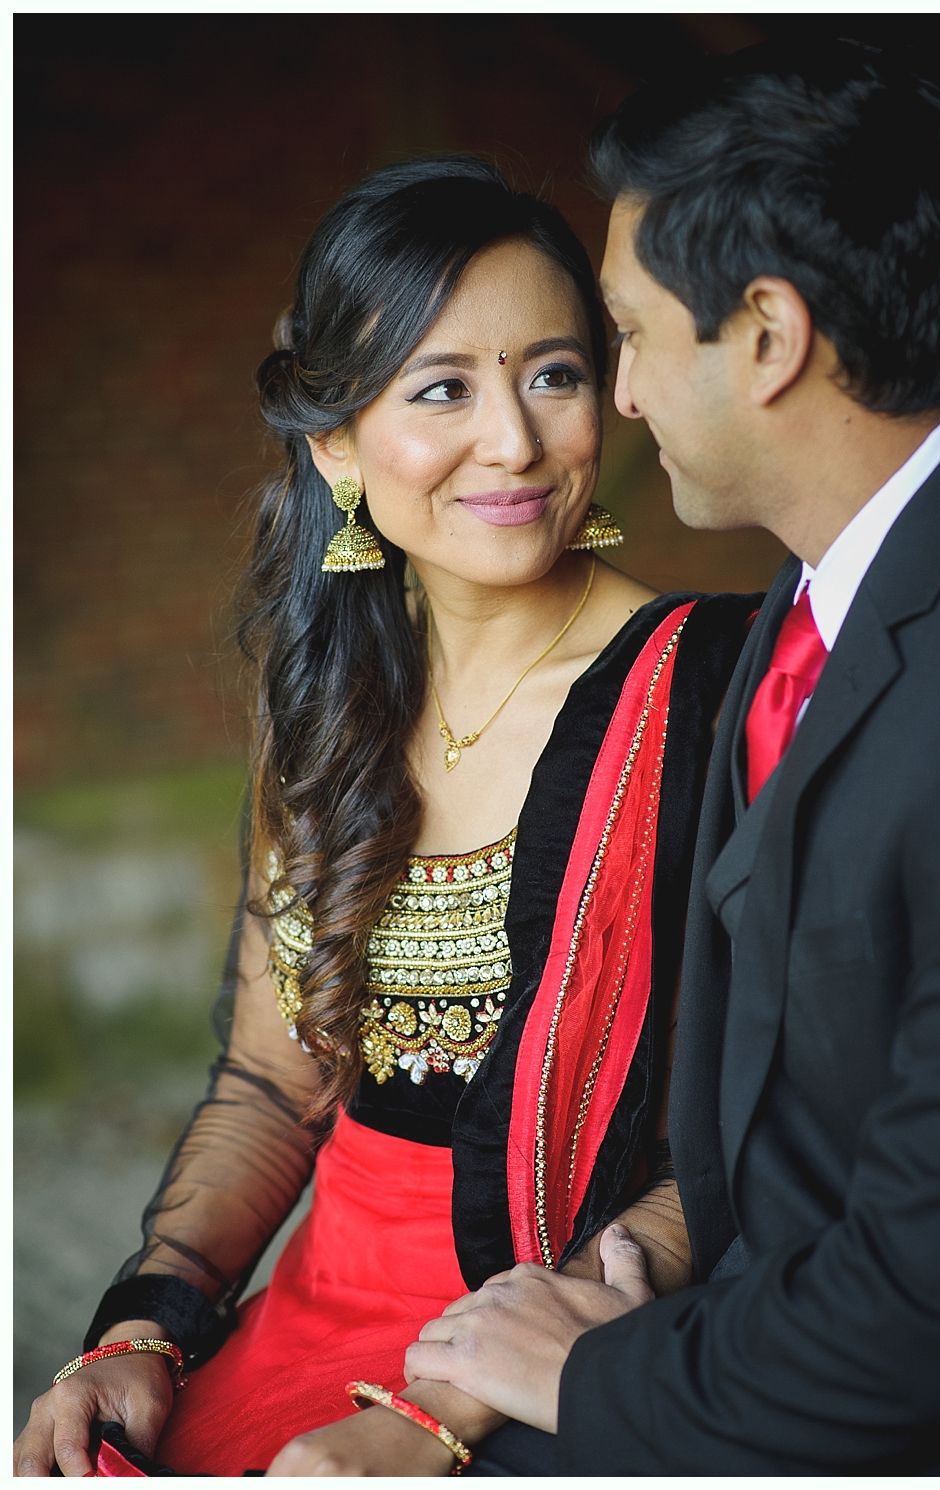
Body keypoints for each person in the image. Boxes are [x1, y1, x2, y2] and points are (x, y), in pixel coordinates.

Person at [13, 157, 757, 1477]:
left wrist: (445, 1412)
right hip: (313, 1306)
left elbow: (760, 1127)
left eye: (554, 374)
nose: (516, 443)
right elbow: (269, 1085)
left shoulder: (709, 692)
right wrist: (144, 1326)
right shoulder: (325, 703)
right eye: (443, 389)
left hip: (564, 1319)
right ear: (339, 440)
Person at [406, 42, 940, 1475]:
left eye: (624, 336)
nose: (622, 402)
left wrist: (596, 1365)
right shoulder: (823, 587)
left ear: (772, 337)